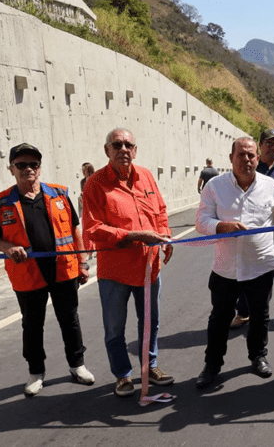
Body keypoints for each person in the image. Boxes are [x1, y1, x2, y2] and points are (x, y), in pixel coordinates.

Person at [0, 143, 94, 396]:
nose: (28, 169)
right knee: (32, 325)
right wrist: (8, 247)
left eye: (33, 164)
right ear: (11, 169)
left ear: (40, 168)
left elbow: (74, 231)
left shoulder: (59, 194)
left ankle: (77, 365)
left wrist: (83, 263)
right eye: (21, 165)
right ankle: (36, 372)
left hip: (64, 271)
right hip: (27, 274)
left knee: (70, 320)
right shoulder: (0, 204)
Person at [195, 137, 274, 388]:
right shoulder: (215, 187)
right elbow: (201, 221)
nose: (247, 159)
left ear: (258, 158)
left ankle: (258, 357)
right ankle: (212, 365)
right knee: (219, 318)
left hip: (260, 265)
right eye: (241, 154)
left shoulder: (271, 186)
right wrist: (222, 226)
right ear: (231, 158)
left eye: (251, 155)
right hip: (225, 268)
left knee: (260, 316)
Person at [82, 128, 175, 397]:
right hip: (115, 272)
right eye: (117, 144)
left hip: (149, 267)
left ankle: (150, 366)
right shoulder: (95, 184)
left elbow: (160, 211)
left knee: (150, 322)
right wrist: (134, 236)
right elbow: (92, 228)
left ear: (135, 150)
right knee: (114, 328)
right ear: (107, 150)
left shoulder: (145, 175)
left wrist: (165, 236)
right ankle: (123, 375)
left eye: (128, 145)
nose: (124, 149)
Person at [229, 129, 274, 328]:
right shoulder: (251, 166)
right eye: (269, 143)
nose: (273, 147)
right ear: (260, 145)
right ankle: (243, 312)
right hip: (254, 234)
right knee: (248, 272)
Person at [78, 162, 95, 256]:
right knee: (86, 227)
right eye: (82, 170)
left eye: (84, 170)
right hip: (86, 206)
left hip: (95, 207)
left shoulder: (95, 178)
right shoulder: (82, 181)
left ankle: (94, 248)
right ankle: (89, 250)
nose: (83, 172)